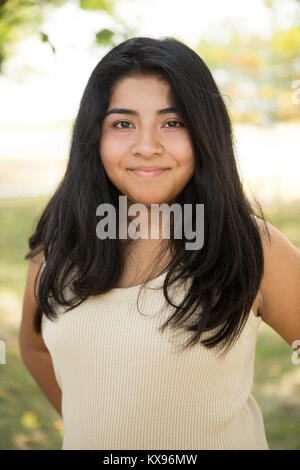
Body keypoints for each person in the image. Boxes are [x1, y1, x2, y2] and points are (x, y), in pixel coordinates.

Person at [19, 36, 300, 450]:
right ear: (93, 136)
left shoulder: (250, 246)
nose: (147, 146)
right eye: (123, 123)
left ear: (205, 132)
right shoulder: (61, 246)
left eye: (173, 123)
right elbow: (34, 345)